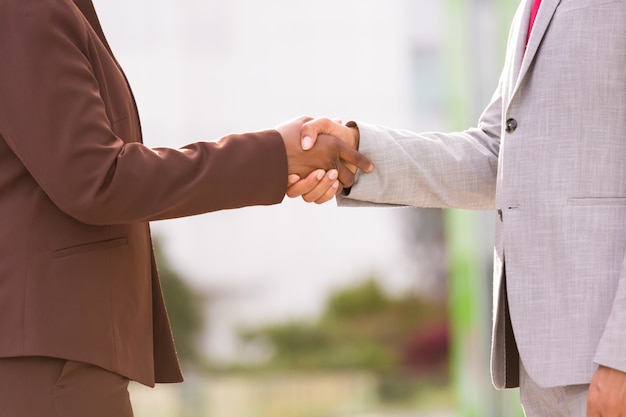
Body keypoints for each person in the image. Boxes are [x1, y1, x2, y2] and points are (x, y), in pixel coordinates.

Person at [0, 0, 373, 416]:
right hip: (47, 360)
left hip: (49, 352)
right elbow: (98, 178)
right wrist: (276, 156)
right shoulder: (25, 9)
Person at [289, 0, 626, 415]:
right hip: (548, 365)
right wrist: (355, 153)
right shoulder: (530, 9)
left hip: (607, 359)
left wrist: (621, 354)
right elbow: (498, 157)